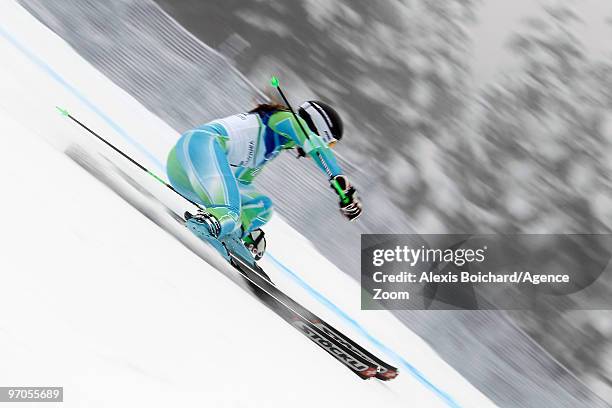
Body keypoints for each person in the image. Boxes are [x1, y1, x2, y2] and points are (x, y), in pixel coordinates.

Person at [166, 100, 362, 260]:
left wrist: (245, 227)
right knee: (230, 211)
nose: (330, 147)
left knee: (263, 206)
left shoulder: (273, 145)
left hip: (185, 172)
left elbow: (238, 183)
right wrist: (339, 180)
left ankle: (227, 229)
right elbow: (315, 145)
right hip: (199, 147)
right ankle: (207, 224)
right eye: (331, 142)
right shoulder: (284, 119)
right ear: (321, 131)